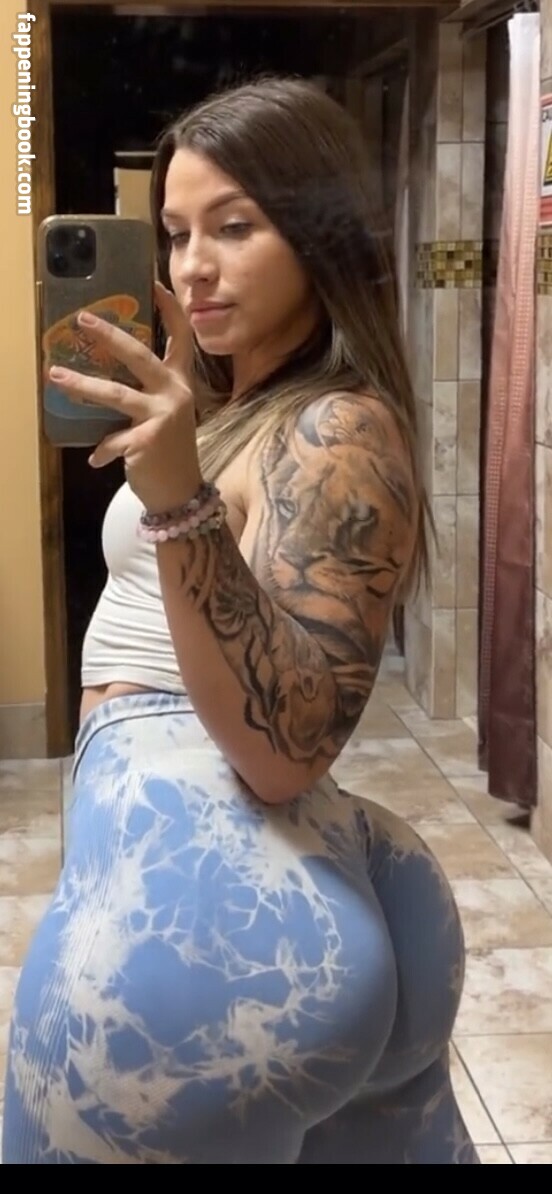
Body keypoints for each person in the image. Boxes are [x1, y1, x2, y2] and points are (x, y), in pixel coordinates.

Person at [2, 76, 479, 1165]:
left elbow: (285, 749)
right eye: (175, 234)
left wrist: (178, 498)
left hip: (212, 915)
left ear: (319, 236)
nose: (191, 269)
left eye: (235, 227)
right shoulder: (243, 408)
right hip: (261, 891)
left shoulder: (338, 427)